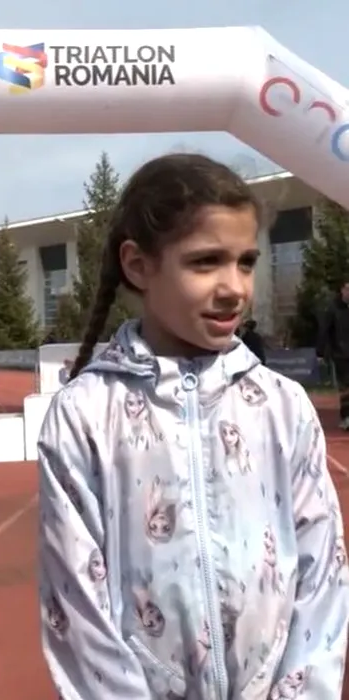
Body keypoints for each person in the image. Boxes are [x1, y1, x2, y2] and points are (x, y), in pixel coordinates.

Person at [37, 153, 349, 698]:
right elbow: (76, 608)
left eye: (246, 262)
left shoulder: (283, 406)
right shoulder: (83, 414)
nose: (234, 287)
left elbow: (323, 575)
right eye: (206, 262)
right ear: (138, 265)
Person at [318, 280, 349, 430]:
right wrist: (321, 352)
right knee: (346, 387)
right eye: (347, 289)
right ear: (342, 290)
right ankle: (346, 417)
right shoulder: (333, 308)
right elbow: (324, 330)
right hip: (341, 355)